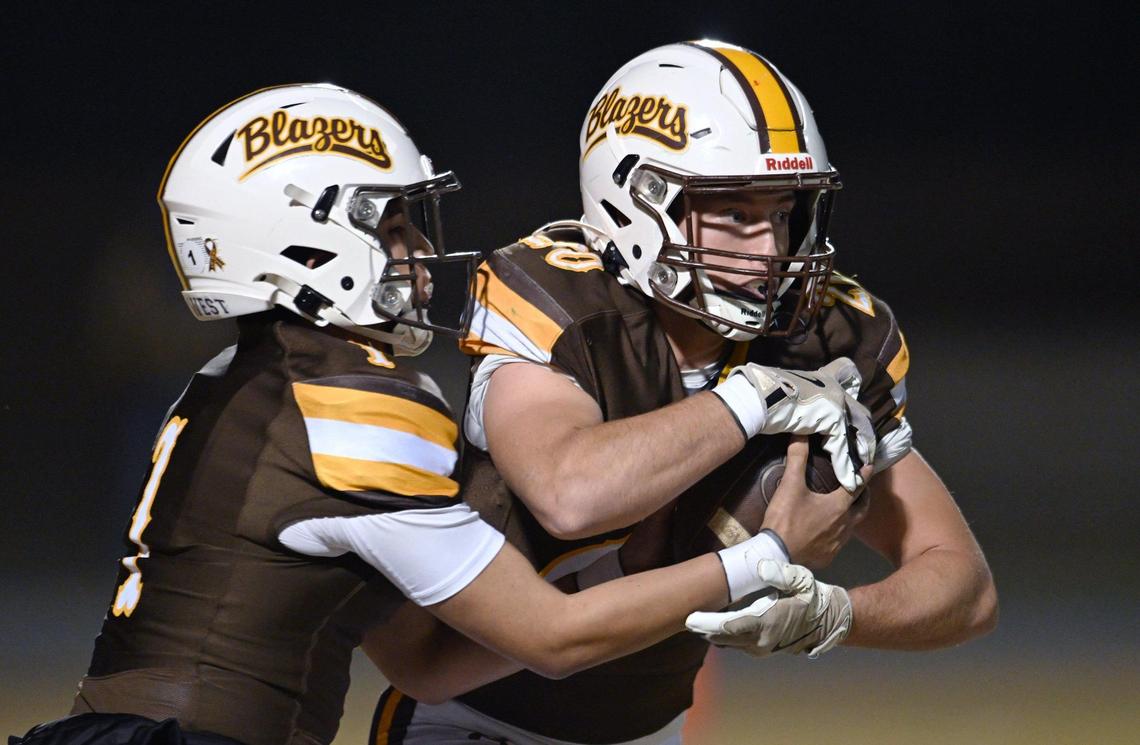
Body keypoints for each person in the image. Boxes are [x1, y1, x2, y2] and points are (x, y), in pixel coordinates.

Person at [9, 83, 869, 745]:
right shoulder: (355, 404)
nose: (421, 252)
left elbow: (422, 659)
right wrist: (760, 557)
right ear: (302, 244)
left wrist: (637, 566)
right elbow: (554, 637)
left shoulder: (238, 377)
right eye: (391, 227)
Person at [367, 41, 997, 744]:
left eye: (783, 213)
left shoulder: (823, 340)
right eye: (735, 215)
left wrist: (833, 614)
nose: (770, 252)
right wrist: (751, 399)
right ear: (637, 204)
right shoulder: (566, 305)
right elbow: (568, 491)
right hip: (471, 724)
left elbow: (964, 586)